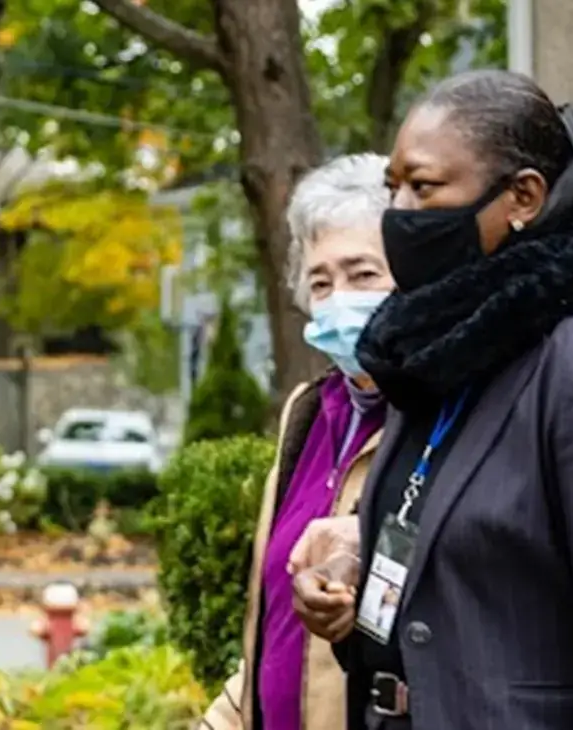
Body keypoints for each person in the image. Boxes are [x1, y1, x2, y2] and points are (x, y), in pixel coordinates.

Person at [288, 69, 573, 730]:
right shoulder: (433, 357)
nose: (397, 213)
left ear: (522, 197)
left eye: (423, 188)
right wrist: (355, 590)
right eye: (392, 187)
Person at [197, 154, 395, 730]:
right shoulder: (309, 414)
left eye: (363, 275)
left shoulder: (438, 418)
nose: (339, 300)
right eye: (321, 281)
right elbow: (275, 628)